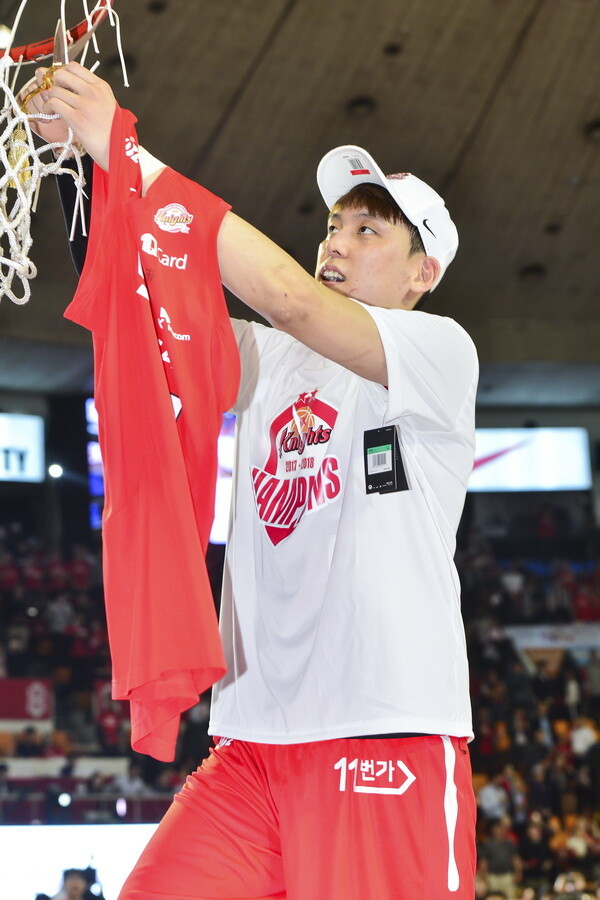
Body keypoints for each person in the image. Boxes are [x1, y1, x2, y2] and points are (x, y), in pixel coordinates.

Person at [31, 60, 479, 899]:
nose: (336, 241)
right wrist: (82, 163)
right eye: (334, 224)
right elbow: (145, 297)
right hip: (252, 747)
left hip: (384, 732)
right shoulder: (271, 357)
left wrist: (129, 151)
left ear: (423, 274)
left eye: (369, 231)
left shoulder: (439, 352)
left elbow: (288, 296)